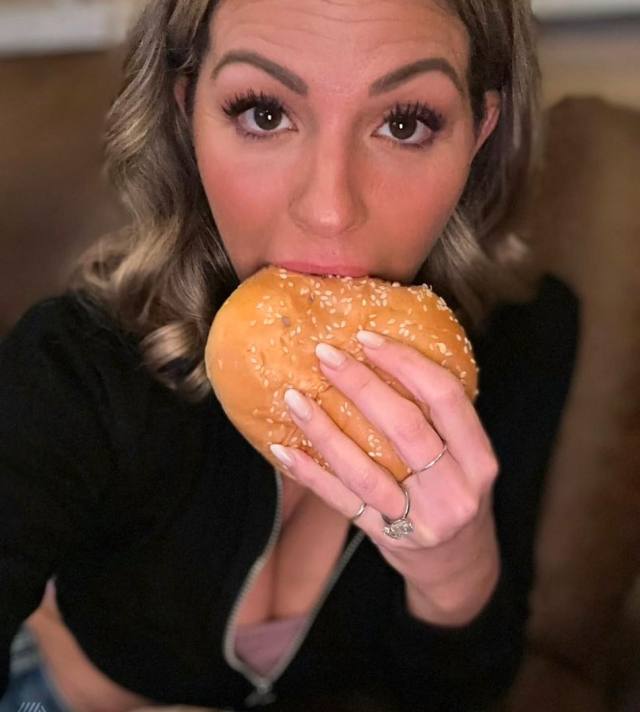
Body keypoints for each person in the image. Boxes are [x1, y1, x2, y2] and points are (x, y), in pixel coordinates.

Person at [0, 0, 580, 711]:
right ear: (187, 114)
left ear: (479, 132)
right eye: (265, 113)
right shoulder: (76, 365)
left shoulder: (524, 339)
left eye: (404, 124)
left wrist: (455, 575)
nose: (329, 210)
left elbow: (458, 692)